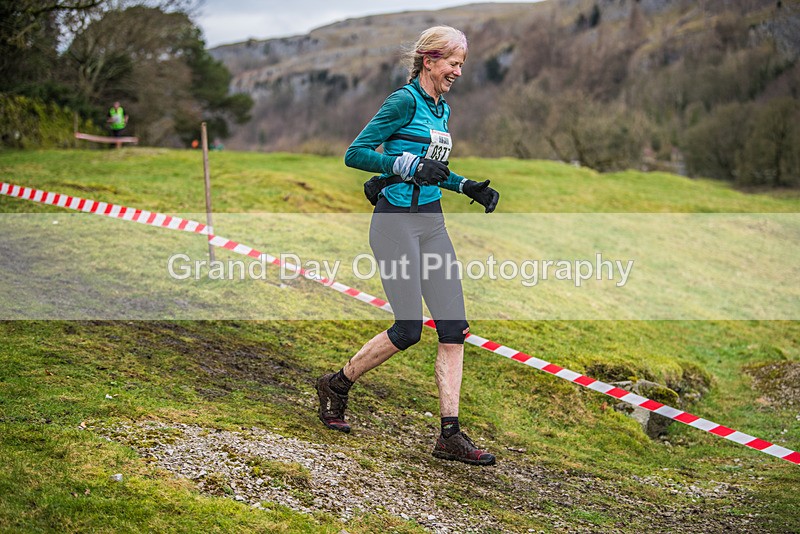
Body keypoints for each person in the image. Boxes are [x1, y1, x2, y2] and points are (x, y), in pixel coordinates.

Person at [315, 26, 500, 466]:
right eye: (453, 62)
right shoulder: (404, 101)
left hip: (432, 224)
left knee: (454, 329)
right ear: (429, 60)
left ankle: (449, 436)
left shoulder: (441, 109)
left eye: (462, 64)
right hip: (396, 224)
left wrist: (465, 185)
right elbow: (356, 153)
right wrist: (403, 163)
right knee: (408, 330)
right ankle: (337, 384)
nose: (458, 70)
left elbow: (433, 170)